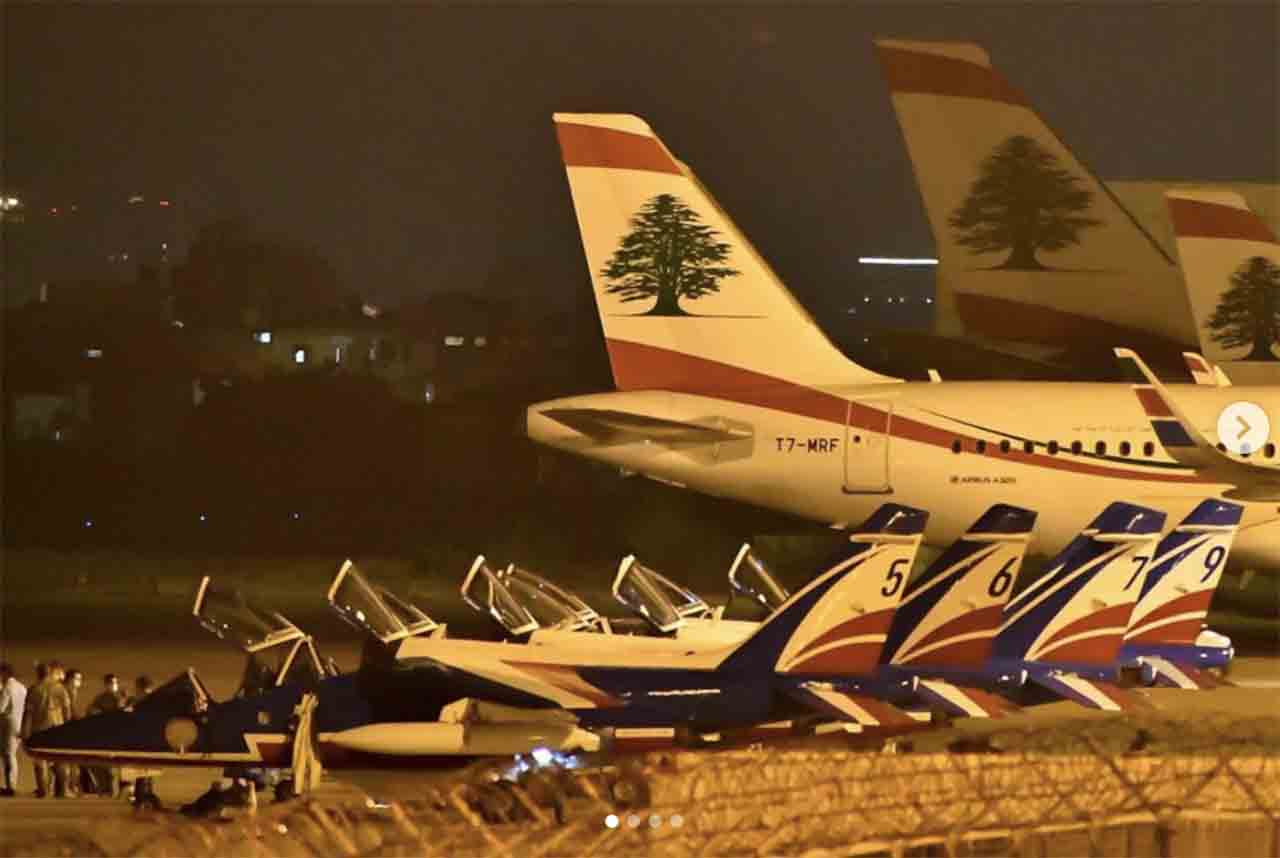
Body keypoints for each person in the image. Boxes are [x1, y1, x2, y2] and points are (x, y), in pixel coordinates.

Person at [21, 661, 72, 798]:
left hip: (39, 728)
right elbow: (67, 709)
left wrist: (24, 731)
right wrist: (68, 726)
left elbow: (28, 713)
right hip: (57, 727)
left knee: (40, 760)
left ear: (38, 674)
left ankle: (43, 790)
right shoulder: (60, 688)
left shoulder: (33, 689)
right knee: (59, 759)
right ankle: (62, 791)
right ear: (49, 673)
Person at [86, 675, 127, 796]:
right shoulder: (100, 699)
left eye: (114, 683)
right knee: (105, 766)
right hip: (105, 735)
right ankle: (106, 789)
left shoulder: (121, 697)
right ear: (105, 684)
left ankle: (121, 790)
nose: (112, 685)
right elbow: (91, 712)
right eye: (110, 683)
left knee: (121, 767)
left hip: (119, 735)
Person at [0, 663, 26, 797]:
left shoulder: (7, 688)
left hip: (8, 723)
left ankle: (11, 786)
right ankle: (11, 785)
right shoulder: (22, 687)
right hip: (20, 722)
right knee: (11, 754)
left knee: (8, 755)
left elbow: (1, 707)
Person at [62, 669, 85, 797]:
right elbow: (71, 711)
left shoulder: (71, 690)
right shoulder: (68, 691)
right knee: (70, 761)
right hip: (68, 728)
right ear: (70, 679)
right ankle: (70, 787)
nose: (79, 682)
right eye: (77, 679)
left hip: (68, 726)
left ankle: (69, 787)